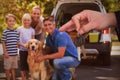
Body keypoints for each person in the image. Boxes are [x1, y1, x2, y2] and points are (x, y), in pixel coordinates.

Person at [17, 13, 35, 80]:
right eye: (24, 20)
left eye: (28, 20)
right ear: (22, 20)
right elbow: (16, 40)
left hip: (30, 51)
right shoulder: (19, 29)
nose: (26, 21)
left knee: (28, 65)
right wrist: (23, 45)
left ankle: (27, 78)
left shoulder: (32, 30)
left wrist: (31, 50)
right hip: (22, 50)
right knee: (22, 65)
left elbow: (33, 41)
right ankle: (23, 78)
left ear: (30, 21)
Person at [1, 14, 19, 80]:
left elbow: (17, 42)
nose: (12, 22)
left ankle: (13, 78)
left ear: (15, 22)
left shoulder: (16, 32)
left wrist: (23, 45)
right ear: (6, 22)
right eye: (10, 21)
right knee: (7, 68)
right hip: (8, 55)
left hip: (14, 54)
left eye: (13, 21)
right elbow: (3, 43)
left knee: (13, 68)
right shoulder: (5, 32)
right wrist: (5, 52)